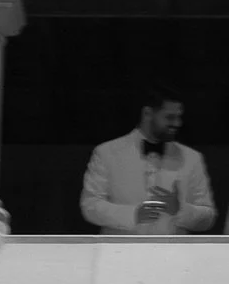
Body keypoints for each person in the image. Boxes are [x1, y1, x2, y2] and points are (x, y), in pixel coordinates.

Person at [81, 89, 215, 234]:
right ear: (147, 113)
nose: (177, 123)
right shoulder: (107, 153)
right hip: (120, 252)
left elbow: (208, 217)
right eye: (170, 117)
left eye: (179, 117)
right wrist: (133, 214)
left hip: (173, 254)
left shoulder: (192, 158)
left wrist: (180, 210)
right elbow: (90, 205)